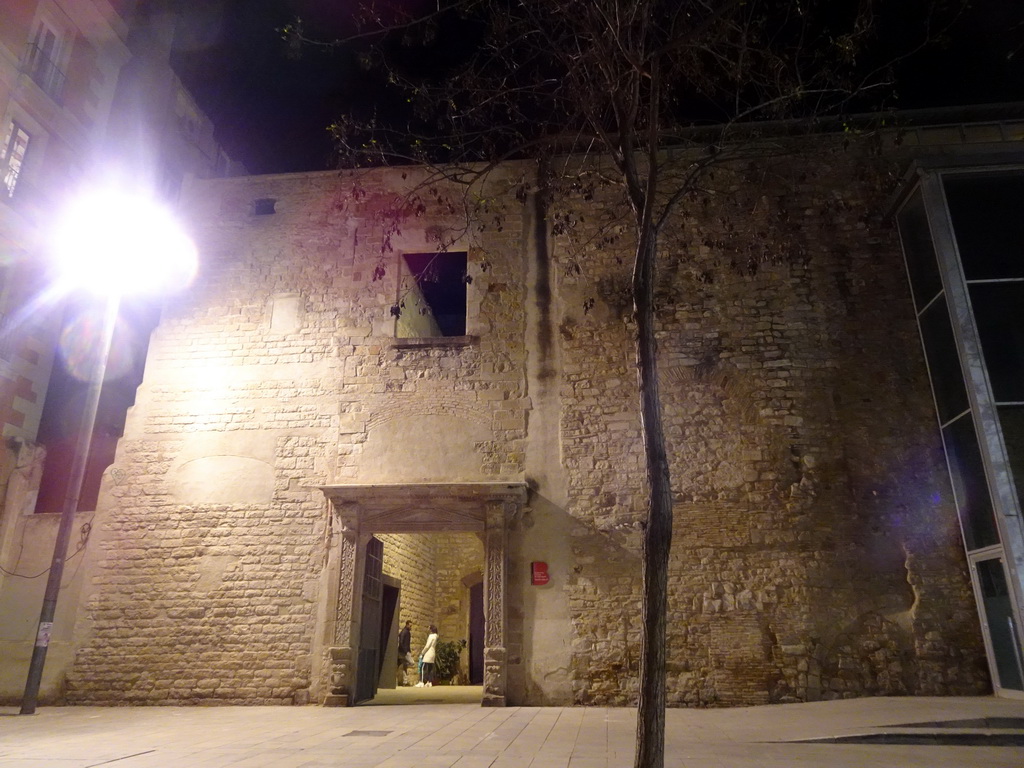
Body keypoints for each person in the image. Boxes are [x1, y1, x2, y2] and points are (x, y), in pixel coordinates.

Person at [397, 620, 412, 685]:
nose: (411, 627)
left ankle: (405, 682)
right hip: (404, 652)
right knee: (412, 663)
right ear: (407, 625)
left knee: (404, 666)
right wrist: (405, 651)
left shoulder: (406, 632)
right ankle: (404, 681)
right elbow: (401, 642)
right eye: (410, 626)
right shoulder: (404, 632)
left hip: (404, 651)